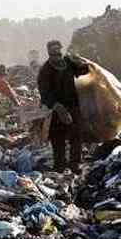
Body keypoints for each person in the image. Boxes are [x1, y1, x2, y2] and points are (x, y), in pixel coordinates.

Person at [37, 40, 89, 171]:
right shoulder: (45, 71)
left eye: (58, 51)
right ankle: (60, 166)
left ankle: (74, 164)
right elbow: (44, 94)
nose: (56, 54)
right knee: (57, 139)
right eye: (53, 52)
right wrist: (58, 107)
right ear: (49, 53)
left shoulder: (68, 63)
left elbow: (83, 71)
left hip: (72, 105)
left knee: (76, 135)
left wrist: (79, 61)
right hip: (56, 111)